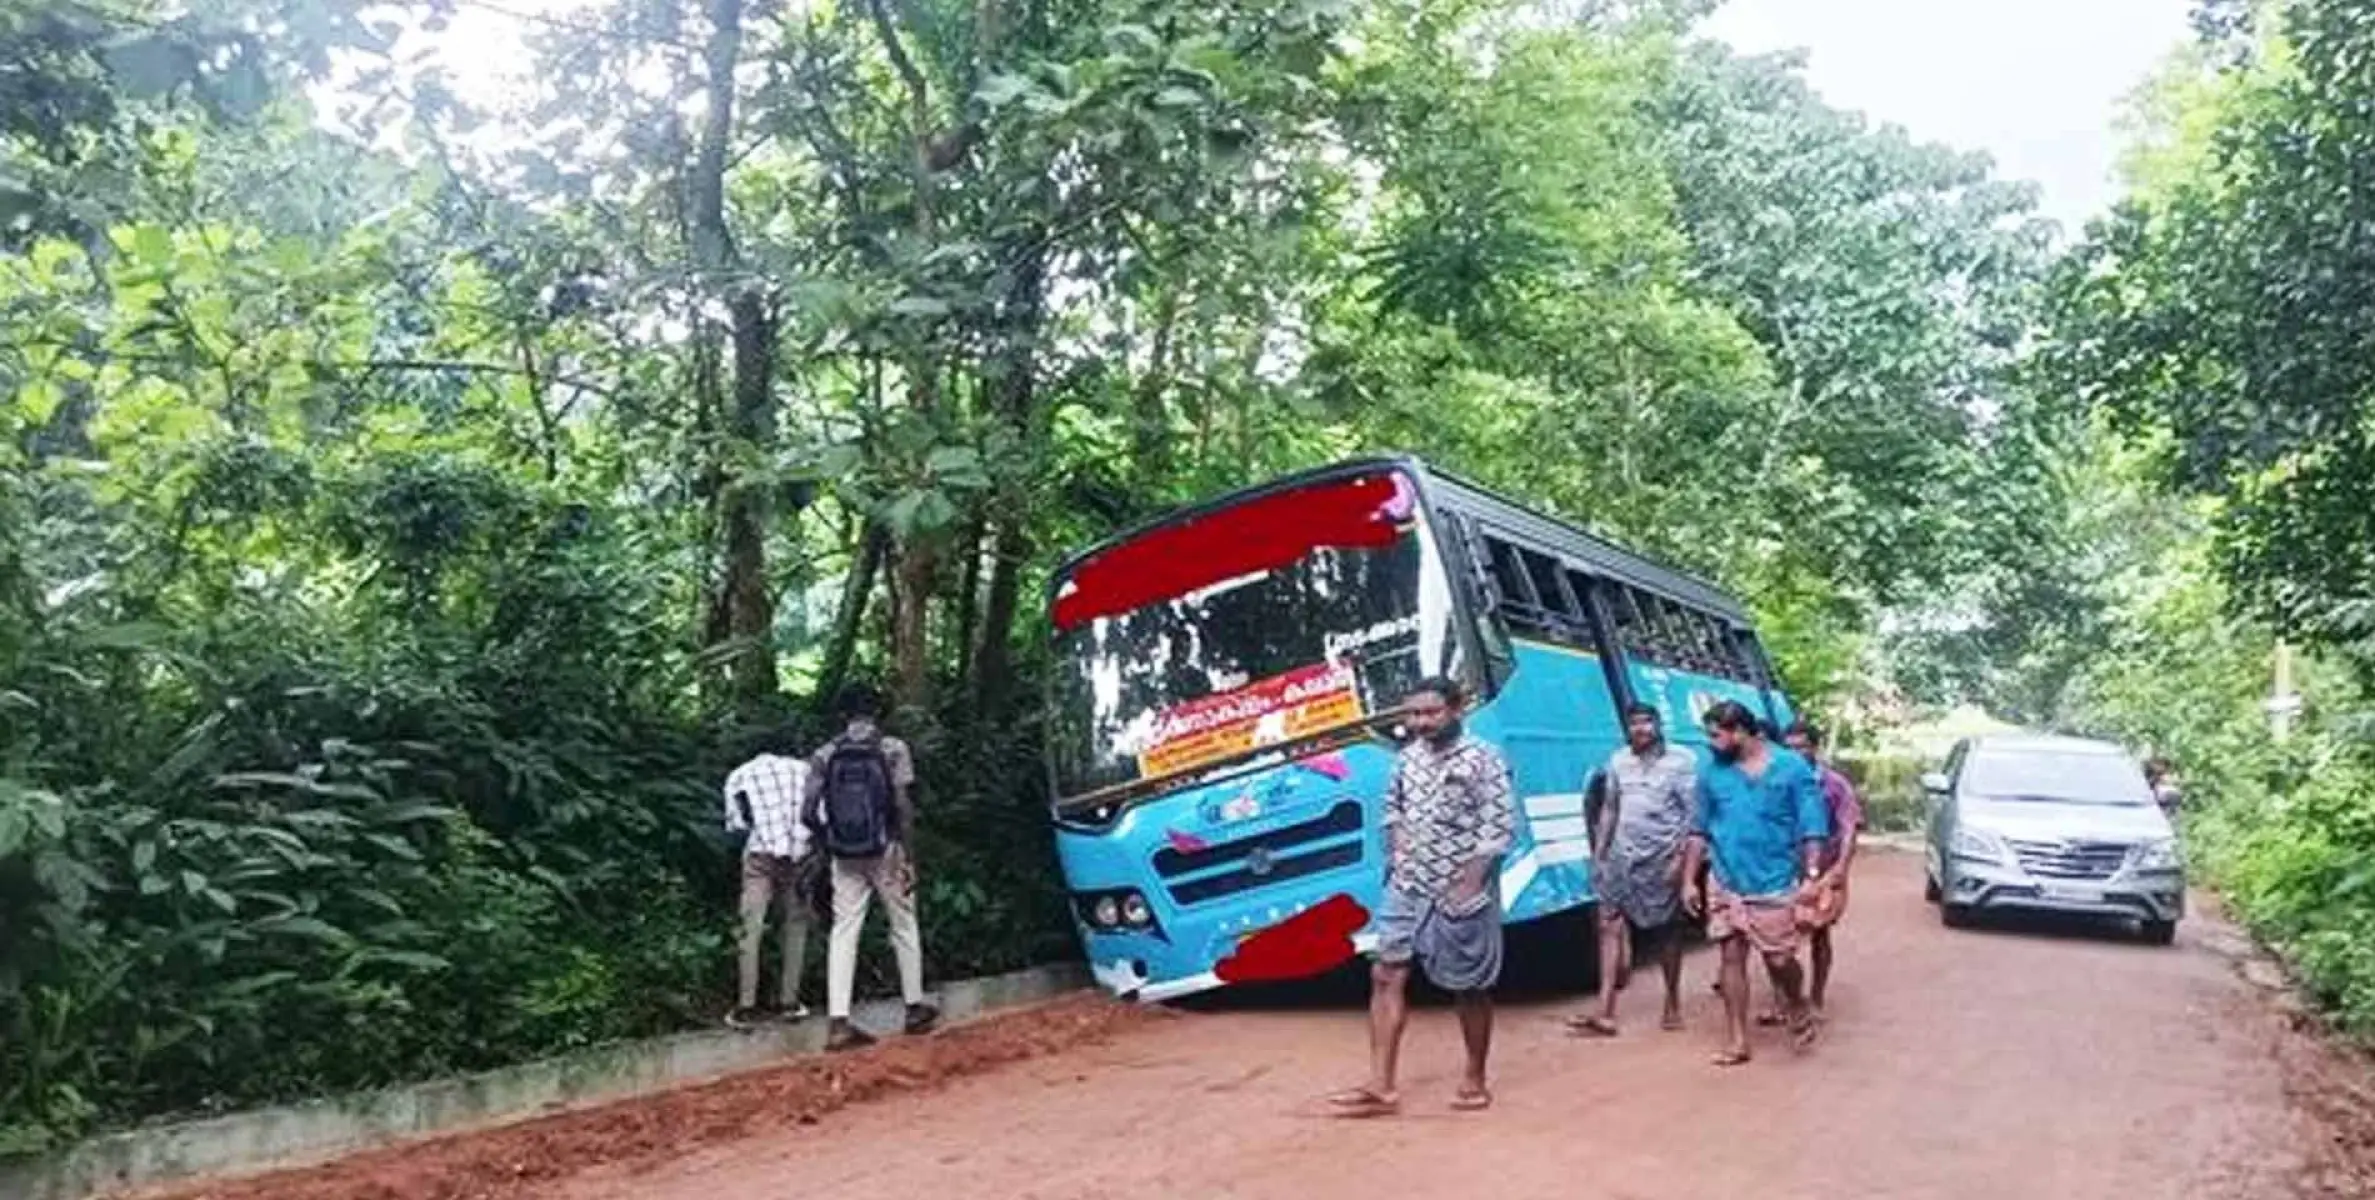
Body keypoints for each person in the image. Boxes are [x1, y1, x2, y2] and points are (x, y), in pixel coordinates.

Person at [1328, 676, 1516, 1118]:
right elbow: (1391, 809)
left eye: (1431, 712)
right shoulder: (1406, 760)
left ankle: (1475, 1077)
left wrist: (1469, 885)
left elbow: (1499, 826)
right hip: (1408, 885)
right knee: (1385, 974)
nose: (1421, 722)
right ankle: (1380, 1086)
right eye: (1413, 714)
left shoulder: (1484, 759)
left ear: (1456, 710)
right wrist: (1397, 853)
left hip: (1463, 888)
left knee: (1469, 987)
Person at [1681, 700, 1830, 1066]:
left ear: (1741, 732)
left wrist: (1812, 878)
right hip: (1726, 879)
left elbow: (1813, 827)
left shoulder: (1791, 768)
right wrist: (1689, 880)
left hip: (1774, 881)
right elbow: (1698, 830)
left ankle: (1796, 1002)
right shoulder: (1710, 773)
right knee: (1731, 956)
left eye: (1716, 735)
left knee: (1780, 960)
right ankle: (1737, 1040)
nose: (1710, 743)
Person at [803, 683, 938, 1051]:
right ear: (878, 713)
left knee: (844, 929)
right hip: (886, 849)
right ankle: (913, 1008)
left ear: (843, 715)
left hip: (844, 854)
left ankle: (838, 1023)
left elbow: (807, 811)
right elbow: (902, 806)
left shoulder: (824, 754)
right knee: (904, 923)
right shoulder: (892, 749)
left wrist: (829, 840)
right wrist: (908, 854)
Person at [1568, 702, 1697, 1038]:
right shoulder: (1618, 760)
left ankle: (1672, 1002)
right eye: (1633, 724)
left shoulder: (1682, 762)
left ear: (1658, 725)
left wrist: (1680, 862)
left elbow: (1692, 816)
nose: (1639, 729)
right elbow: (1610, 808)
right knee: (1608, 926)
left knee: (1667, 933)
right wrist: (1599, 852)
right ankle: (1605, 1009)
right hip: (1619, 858)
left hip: (1661, 858)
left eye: (1646, 722)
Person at [722, 728, 818, 1029]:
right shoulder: (804, 771)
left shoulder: (739, 775)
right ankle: (789, 1002)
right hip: (799, 857)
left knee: (750, 926)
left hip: (760, 856)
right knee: (795, 925)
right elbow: (819, 814)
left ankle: (746, 1005)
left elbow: (736, 825)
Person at [1778, 719, 1861, 1019]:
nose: (1795, 753)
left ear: (1814, 748)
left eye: (1801, 747)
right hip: (1785, 869)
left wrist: (1840, 868)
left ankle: (1816, 998)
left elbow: (1849, 828)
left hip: (1824, 870)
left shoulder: (1834, 785)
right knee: (1777, 934)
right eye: (1789, 748)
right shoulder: (1777, 783)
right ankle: (1784, 1001)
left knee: (1819, 934)